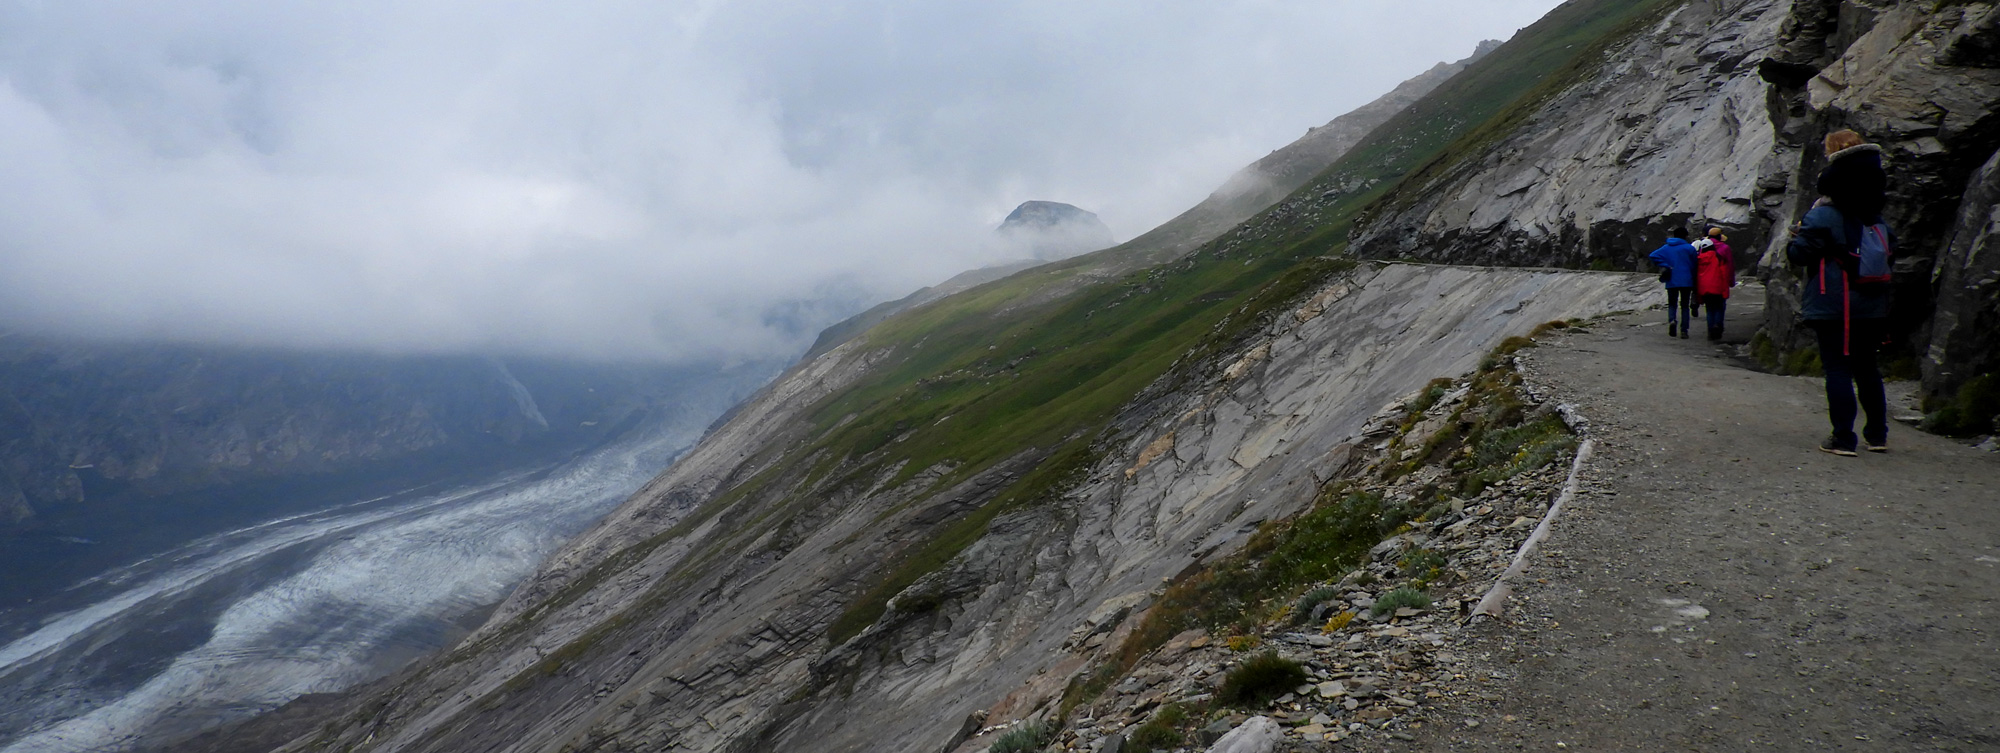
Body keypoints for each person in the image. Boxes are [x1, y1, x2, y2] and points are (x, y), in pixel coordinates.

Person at [1787, 130, 1893, 456]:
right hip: (1872, 303)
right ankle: (1877, 435)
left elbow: (1799, 256)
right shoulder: (1875, 219)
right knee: (1868, 369)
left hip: (1835, 303)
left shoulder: (1823, 215)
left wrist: (1796, 238)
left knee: (1837, 368)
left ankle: (1843, 438)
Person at [1648, 227, 1699, 338]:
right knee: (1685, 306)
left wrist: (1665, 265)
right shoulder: (1689, 248)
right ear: (1685, 236)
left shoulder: (1666, 247)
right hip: (1687, 280)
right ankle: (1684, 331)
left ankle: (1672, 320)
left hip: (1671, 279)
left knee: (1672, 304)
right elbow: (1695, 264)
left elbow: (1653, 255)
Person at [1695, 228, 1735, 340]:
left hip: (1704, 286)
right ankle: (1718, 326)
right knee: (1719, 307)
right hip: (1718, 284)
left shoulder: (1701, 254)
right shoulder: (1724, 249)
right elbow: (1728, 268)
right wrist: (1730, 282)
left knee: (1709, 309)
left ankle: (1710, 330)